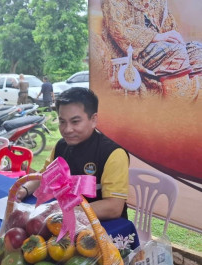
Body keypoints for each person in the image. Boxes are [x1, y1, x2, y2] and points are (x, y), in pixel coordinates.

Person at [16, 87, 129, 220]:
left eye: (75, 122)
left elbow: (113, 207)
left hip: (106, 228)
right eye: (62, 122)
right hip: (64, 219)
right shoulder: (61, 146)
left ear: (93, 120)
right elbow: (44, 178)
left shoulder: (113, 154)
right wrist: (24, 189)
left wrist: (64, 211)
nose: (67, 129)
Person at [101, 0, 202, 98]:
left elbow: (168, 27)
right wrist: (155, 37)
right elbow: (119, 30)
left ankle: (194, 102)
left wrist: (176, 39)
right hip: (133, 51)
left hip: (161, 47)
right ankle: (177, 105)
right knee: (176, 52)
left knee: (196, 50)